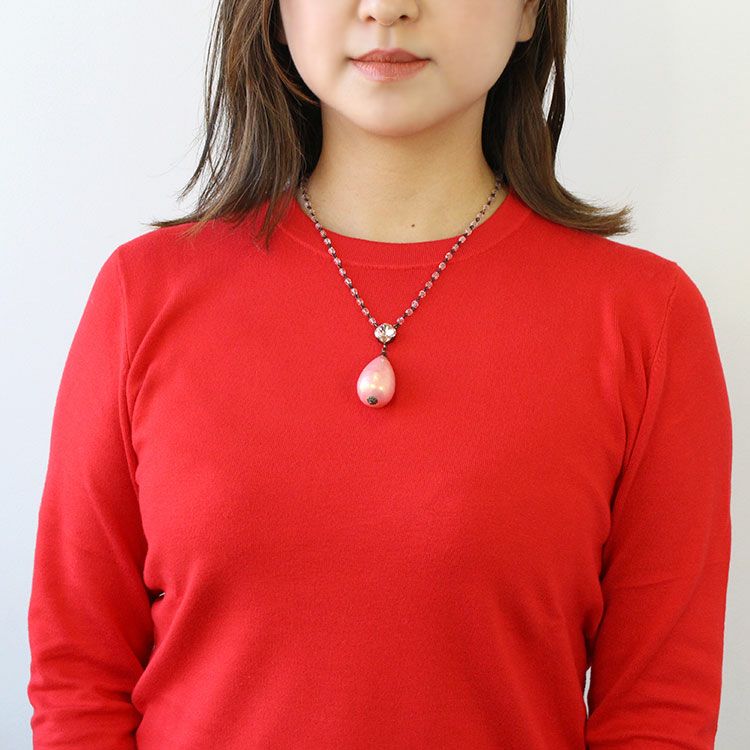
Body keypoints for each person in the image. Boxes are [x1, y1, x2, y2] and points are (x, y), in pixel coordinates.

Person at [27, 1, 733, 748]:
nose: (387, 8)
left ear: (529, 9)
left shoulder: (645, 320)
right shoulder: (144, 295)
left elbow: (657, 713)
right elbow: (79, 678)